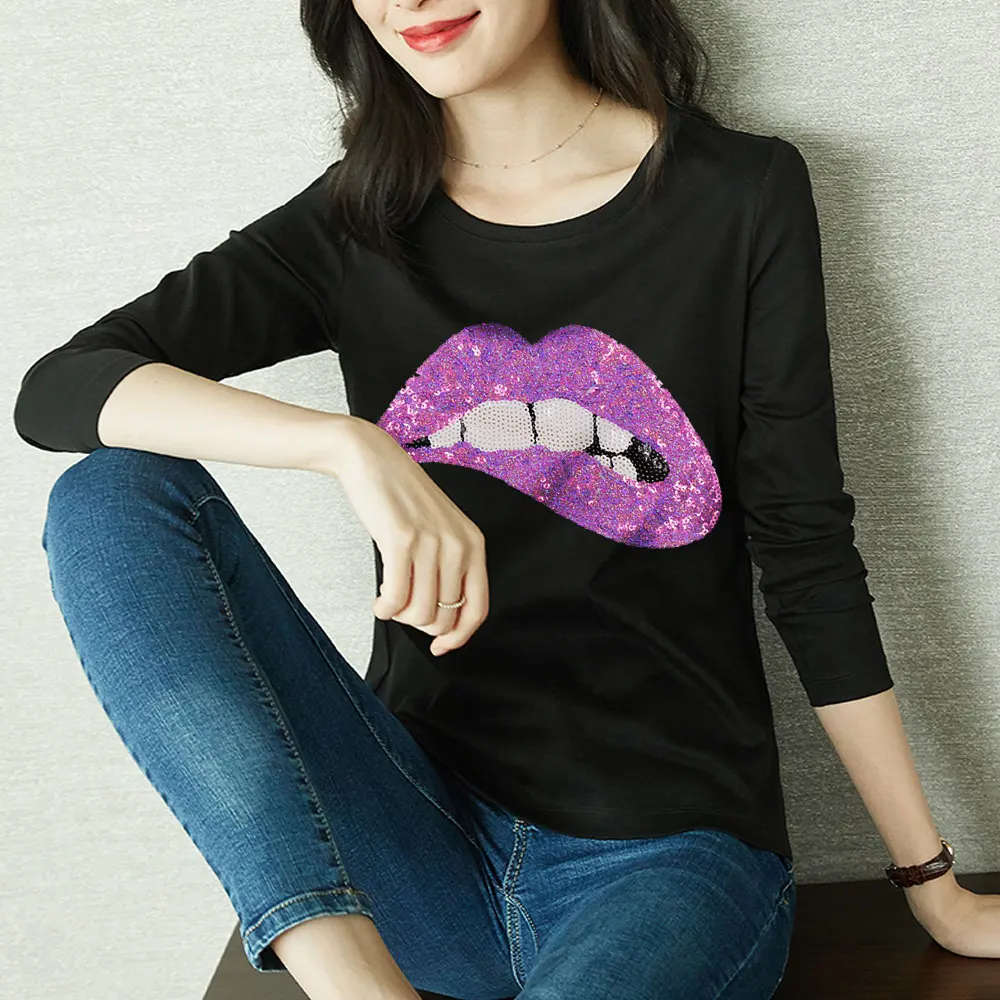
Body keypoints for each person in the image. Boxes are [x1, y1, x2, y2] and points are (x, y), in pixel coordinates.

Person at [12, 1, 903, 997]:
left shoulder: (739, 194)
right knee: (112, 493)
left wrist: (927, 879)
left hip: (665, 861)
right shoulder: (357, 221)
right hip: (415, 840)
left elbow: (806, 550)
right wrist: (344, 446)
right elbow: (59, 388)